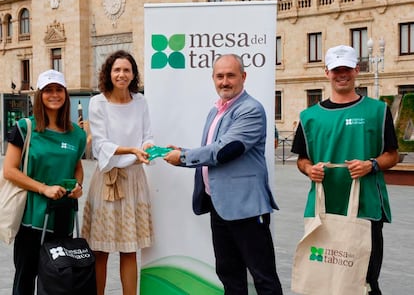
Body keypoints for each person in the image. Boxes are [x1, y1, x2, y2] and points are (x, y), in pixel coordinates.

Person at [164, 54, 283, 295]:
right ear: (213, 79)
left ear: (243, 77)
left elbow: (227, 150)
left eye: (231, 75)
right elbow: (214, 147)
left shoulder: (251, 109)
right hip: (220, 205)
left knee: (263, 277)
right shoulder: (216, 110)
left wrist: (185, 158)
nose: (225, 81)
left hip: (247, 208)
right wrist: (182, 151)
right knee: (229, 275)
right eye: (220, 76)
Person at [291, 45, 399, 295]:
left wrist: (370, 165)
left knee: (365, 280)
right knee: (325, 279)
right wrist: (309, 170)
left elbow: (392, 155)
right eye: (336, 69)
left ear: (356, 70)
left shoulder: (377, 110)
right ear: (326, 71)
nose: (342, 74)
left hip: (366, 208)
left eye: (347, 69)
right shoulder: (309, 117)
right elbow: (302, 159)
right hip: (323, 210)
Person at [3, 69, 86, 294]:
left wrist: (78, 186)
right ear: (39, 95)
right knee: (25, 280)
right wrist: (43, 188)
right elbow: (9, 171)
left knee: (58, 282)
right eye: (48, 90)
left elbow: (77, 167)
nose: (54, 95)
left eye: (59, 90)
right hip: (31, 218)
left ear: (66, 94)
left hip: (63, 218)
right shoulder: (25, 128)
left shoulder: (77, 134)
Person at [81, 50, 154, 295]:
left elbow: (147, 136)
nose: (122, 74)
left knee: (129, 248)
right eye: (117, 70)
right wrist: (132, 149)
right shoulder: (97, 102)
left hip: (134, 179)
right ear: (109, 73)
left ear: (133, 75)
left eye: (126, 70)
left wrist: (148, 148)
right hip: (107, 179)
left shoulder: (141, 101)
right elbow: (100, 144)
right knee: (100, 250)